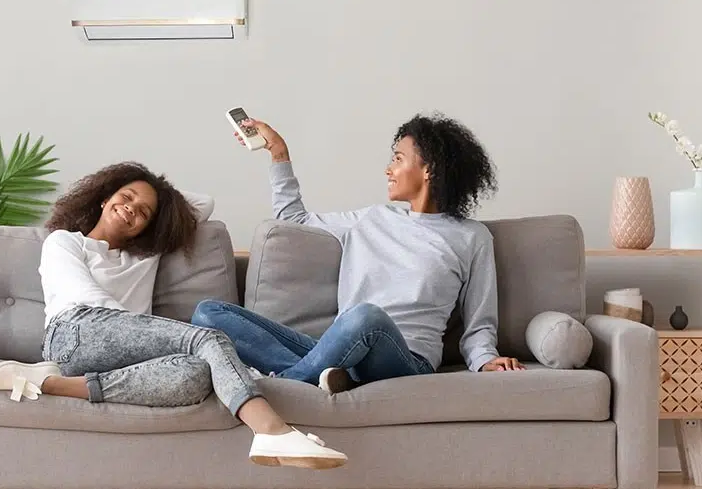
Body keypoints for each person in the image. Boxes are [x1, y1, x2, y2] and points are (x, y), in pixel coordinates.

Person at [0, 162, 347, 469]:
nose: (132, 210)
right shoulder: (65, 241)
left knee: (197, 375)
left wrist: (160, 204)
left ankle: (51, 384)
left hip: (118, 357)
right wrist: (152, 334)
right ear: (104, 197)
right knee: (206, 339)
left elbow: (203, 204)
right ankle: (272, 431)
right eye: (125, 198)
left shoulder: (144, 255)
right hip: (73, 332)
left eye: (144, 213)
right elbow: (86, 300)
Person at [192, 112, 524, 395]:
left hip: (405, 360)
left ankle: (289, 385)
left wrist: (485, 360)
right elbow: (293, 221)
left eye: (398, 158)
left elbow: (479, 320)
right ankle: (322, 377)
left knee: (366, 317)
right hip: (342, 351)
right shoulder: (371, 219)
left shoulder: (471, 237)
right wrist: (278, 153)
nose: (388, 169)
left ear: (429, 170)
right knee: (209, 313)